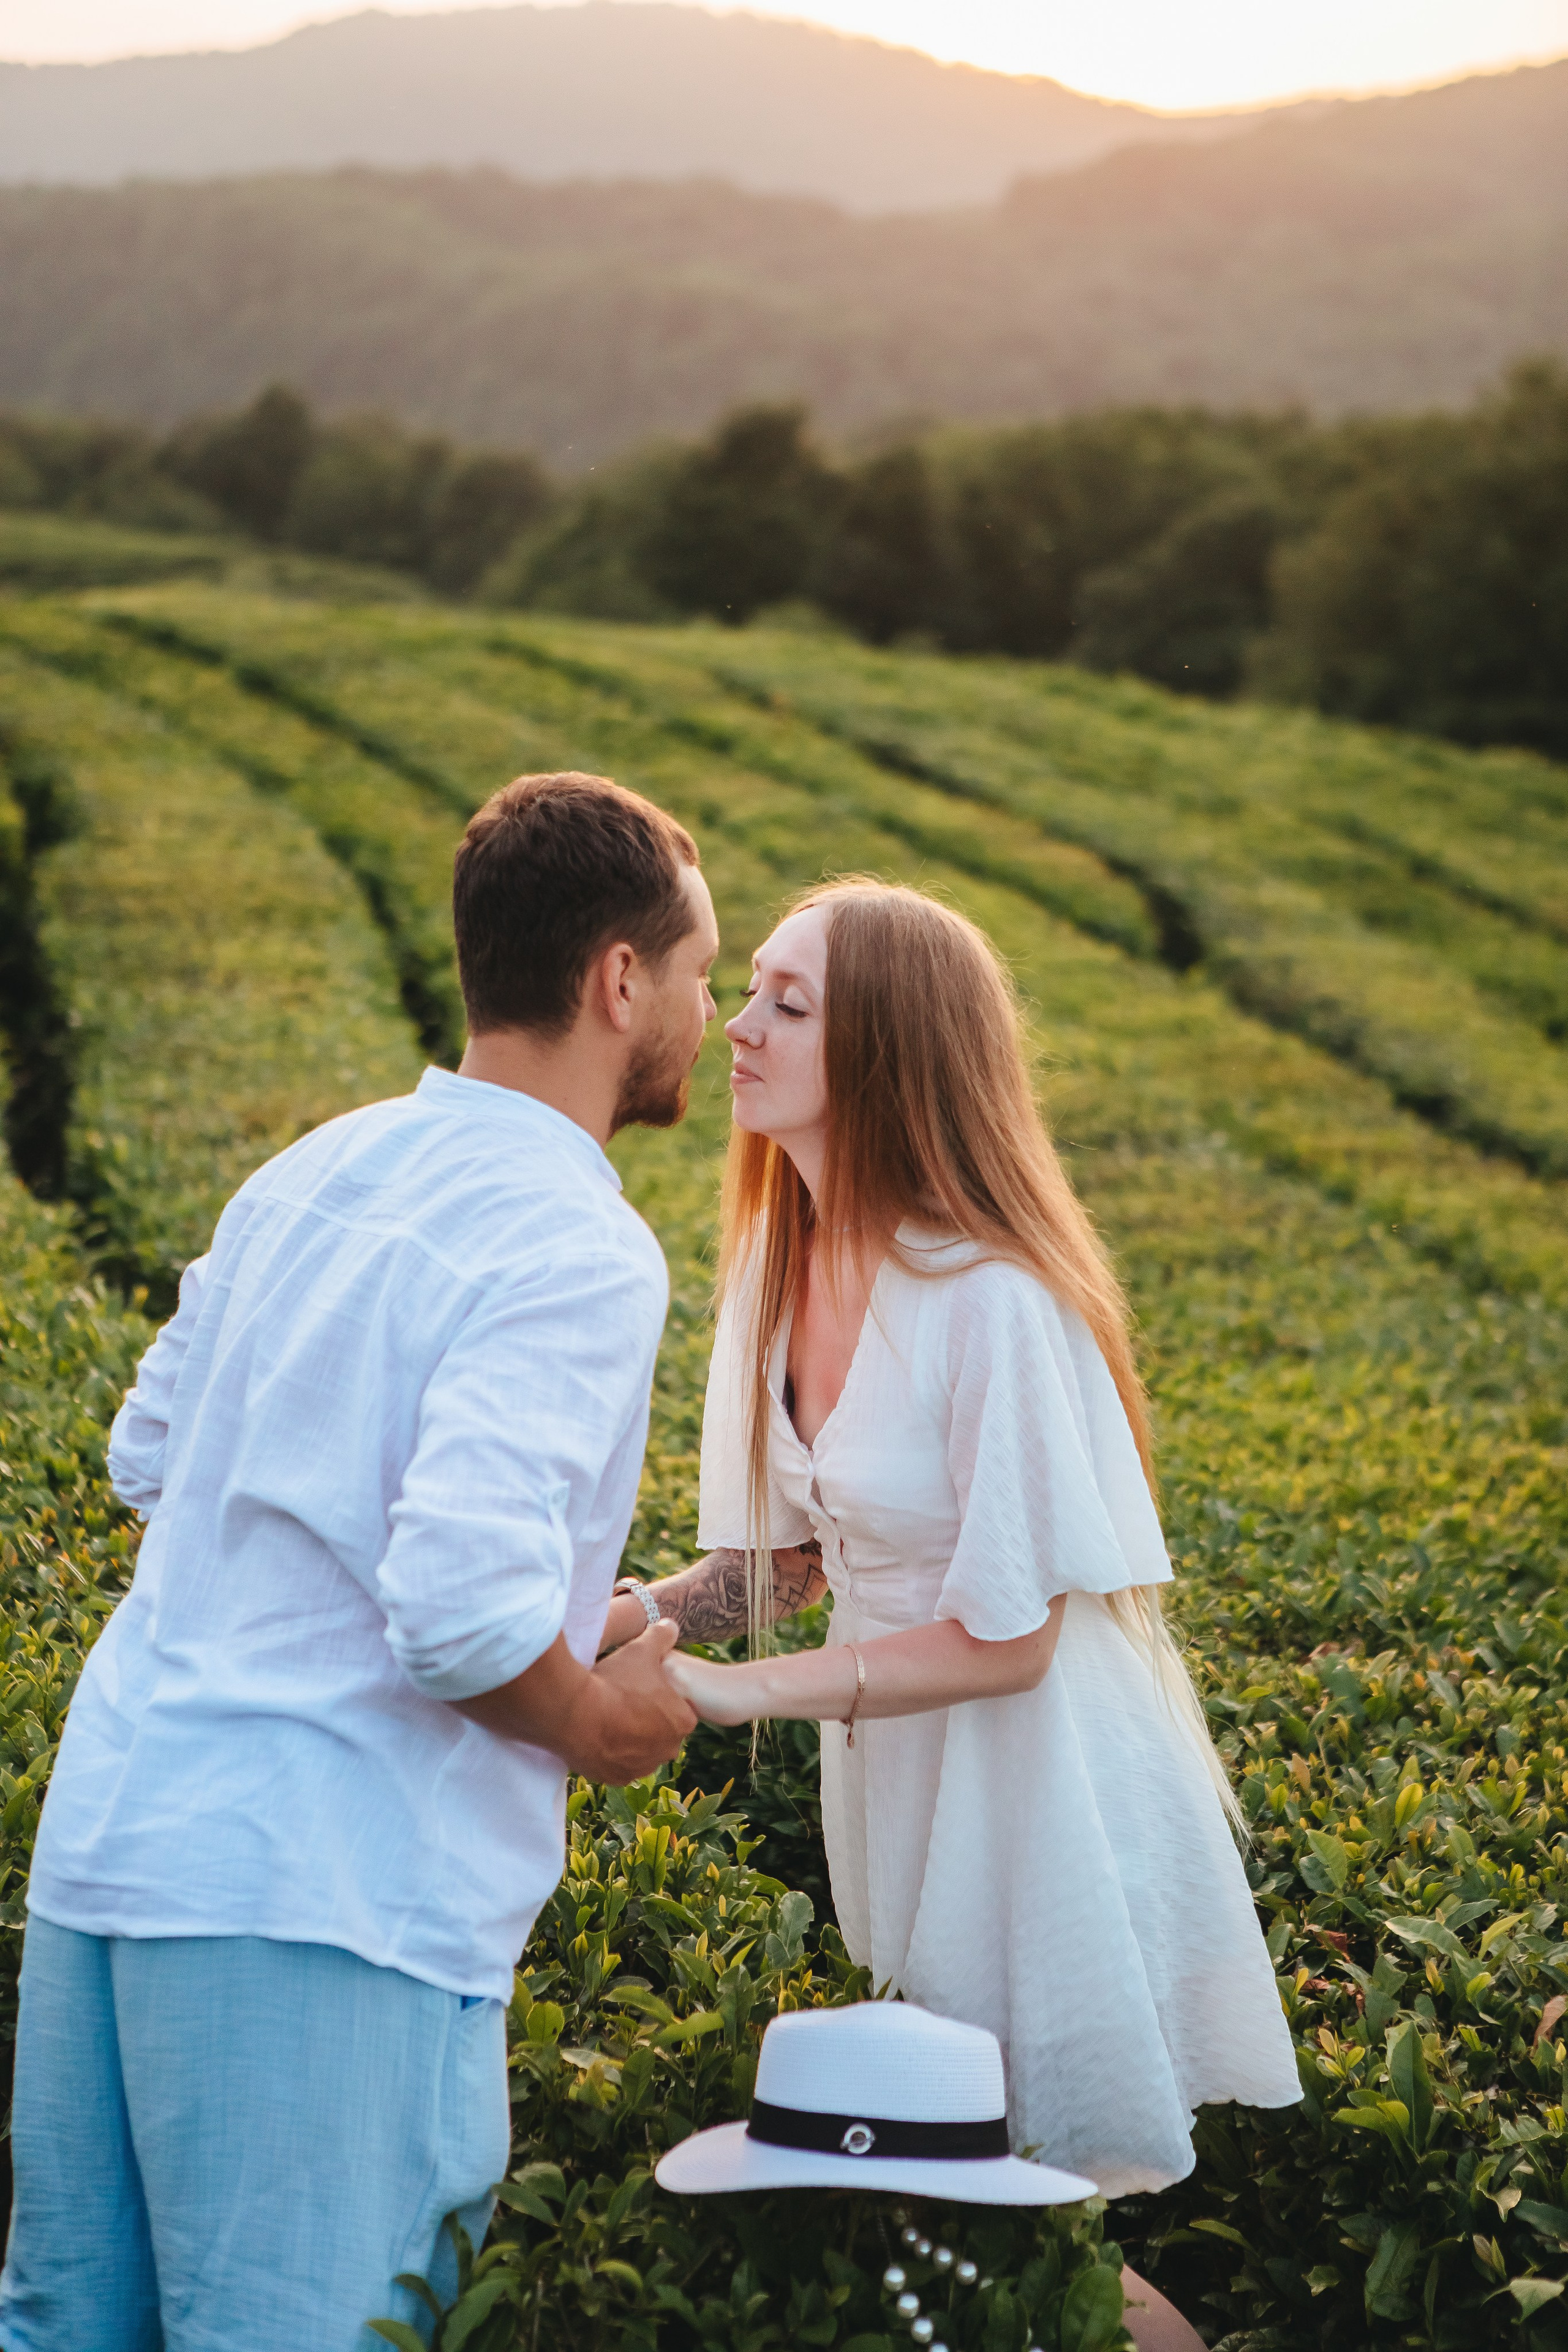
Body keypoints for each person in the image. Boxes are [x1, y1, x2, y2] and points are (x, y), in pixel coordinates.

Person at [1, 771, 714, 2352]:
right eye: (699, 975)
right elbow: (457, 1609)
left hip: (118, 1846)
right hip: (327, 1900)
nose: (705, 1013)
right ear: (617, 981)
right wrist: (598, 1726)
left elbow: (149, 1459)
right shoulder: (582, 1240)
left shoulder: (311, 1167)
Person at [598, 877, 1301, 2352]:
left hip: (1035, 1783)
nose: (738, 1025)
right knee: (947, 2200)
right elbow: (785, 1566)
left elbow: (1011, 1637)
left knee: (1014, 2210)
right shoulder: (773, 1270)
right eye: (751, 989)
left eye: (788, 1004)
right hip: (899, 1773)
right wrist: (640, 1612)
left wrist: (728, 1698)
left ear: (892, 1055)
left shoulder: (988, 1295)